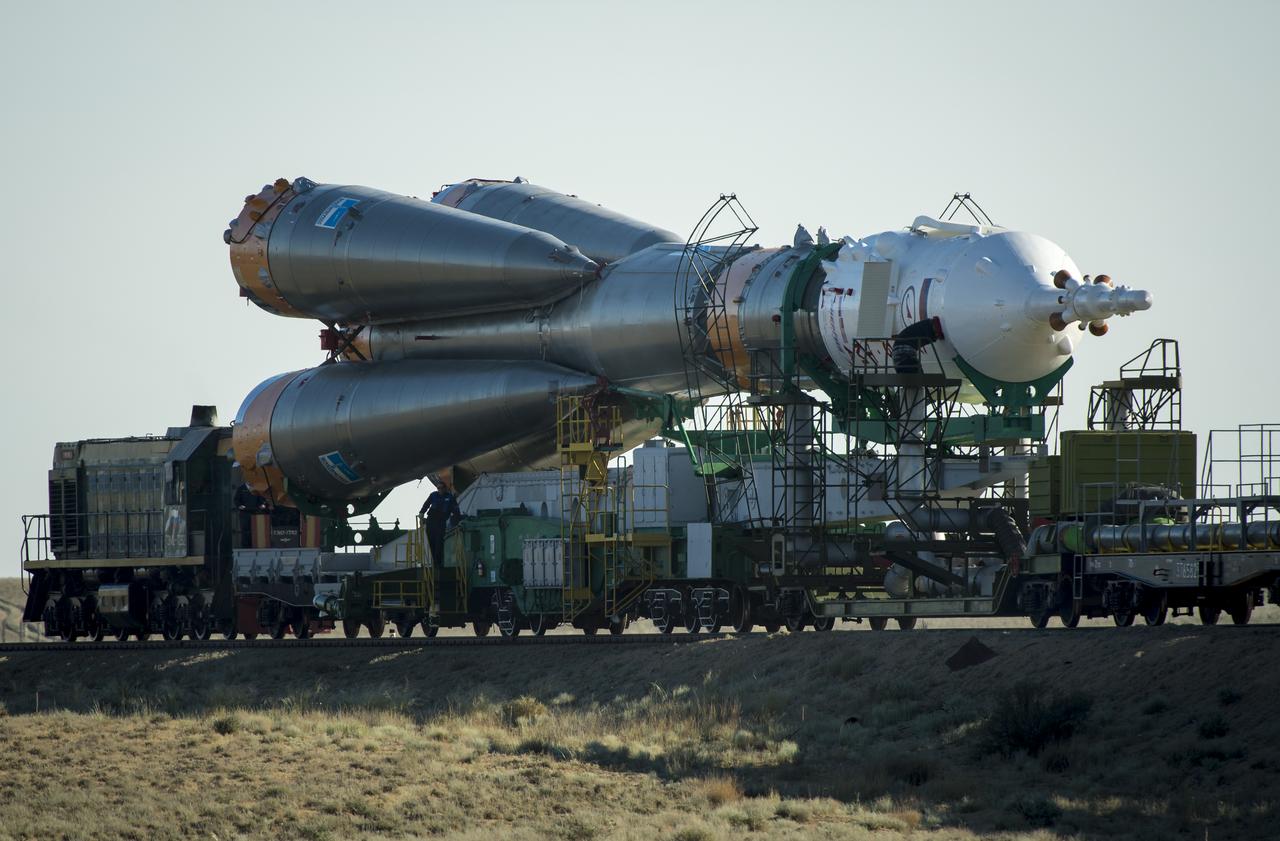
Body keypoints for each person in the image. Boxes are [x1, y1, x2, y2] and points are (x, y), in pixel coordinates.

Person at [419, 483, 461, 563]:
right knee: (430, 541)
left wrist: (457, 520)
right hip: (431, 521)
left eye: (441, 488)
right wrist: (421, 512)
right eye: (438, 488)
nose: (440, 489)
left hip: (441, 522)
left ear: (445, 488)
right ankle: (432, 561)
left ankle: (438, 563)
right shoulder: (433, 495)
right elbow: (426, 504)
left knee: (439, 543)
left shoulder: (450, 497)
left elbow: (456, 510)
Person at [234, 482, 270, 548]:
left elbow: (263, 500)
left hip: (257, 513)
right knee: (245, 530)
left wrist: (263, 505)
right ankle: (245, 547)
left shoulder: (257, 488)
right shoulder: (241, 488)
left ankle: (258, 546)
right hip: (244, 514)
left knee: (257, 530)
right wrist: (239, 506)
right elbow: (236, 500)